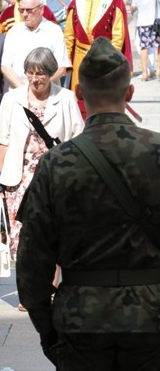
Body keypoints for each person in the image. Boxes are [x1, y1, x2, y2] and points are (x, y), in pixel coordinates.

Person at [16, 37, 160, 370]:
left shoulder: (55, 163)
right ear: (129, 94)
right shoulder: (156, 152)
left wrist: (48, 329)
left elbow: (32, 261)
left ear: (79, 94)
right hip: (151, 316)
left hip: (82, 318)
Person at [0, 48, 84, 310]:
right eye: (30, 73)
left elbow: (78, 138)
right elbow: (2, 141)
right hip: (18, 176)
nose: (35, 79)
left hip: (54, 174)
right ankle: (29, 290)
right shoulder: (13, 99)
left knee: (53, 233)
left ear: (51, 73)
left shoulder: (65, 98)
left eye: (41, 73)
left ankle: (51, 289)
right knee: (23, 236)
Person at [64, 0, 132, 105]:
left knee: (103, 101)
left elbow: (118, 36)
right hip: (80, 59)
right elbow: (69, 35)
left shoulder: (114, 0)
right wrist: (66, 61)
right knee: (80, 101)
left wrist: (111, 61)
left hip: (104, 60)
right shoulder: (77, 1)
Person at [1, 0, 71, 89]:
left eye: (29, 10)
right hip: (18, 92)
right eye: (21, 10)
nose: (24, 14)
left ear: (41, 9)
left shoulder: (54, 31)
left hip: (48, 93)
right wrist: (23, 88)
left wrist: (41, 87)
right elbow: (6, 66)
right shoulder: (14, 32)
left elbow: (61, 67)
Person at [131, 0, 160, 81]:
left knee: (144, 47)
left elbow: (134, 5)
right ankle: (158, 70)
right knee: (158, 46)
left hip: (143, 21)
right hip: (156, 19)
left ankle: (144, 73)